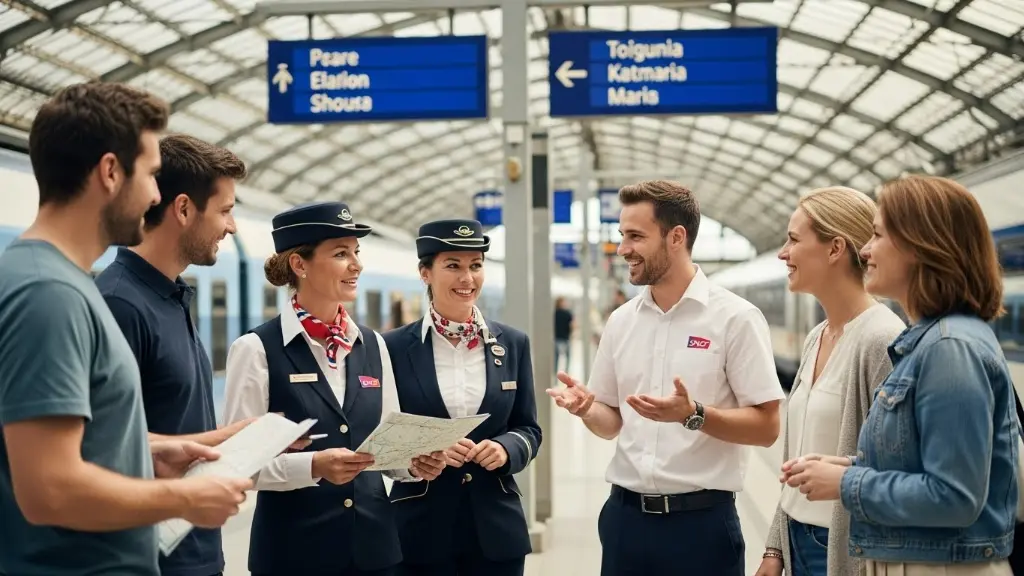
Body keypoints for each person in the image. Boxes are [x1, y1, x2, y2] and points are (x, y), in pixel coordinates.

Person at [0, 82, 252, 576]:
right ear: (111, 172)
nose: (157, 195)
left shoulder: (56, 283)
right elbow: (49, 489)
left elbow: (71, 443)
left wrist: (154, 450)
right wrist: (183, 497)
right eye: (152, 174)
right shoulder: (48, 295)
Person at [547, 179, 786, 576]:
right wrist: (588, 409)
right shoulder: (621, 322)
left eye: (636, 236)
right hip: (625, 522)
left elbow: (767, 427)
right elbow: (611, 424)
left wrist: (693, 414)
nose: (624, 249)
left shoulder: (735, 319)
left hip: (701, 527)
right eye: (623, 235)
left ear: (676, 237)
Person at [782, 174, 1018, 576]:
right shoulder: (927, 343)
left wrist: (845, 484)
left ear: (919, 246)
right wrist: (849, 467)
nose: (867, 250)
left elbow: (955, 495)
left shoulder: (949, 349)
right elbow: (917, 461)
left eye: (877, 235)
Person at [223, 201, 448, 576]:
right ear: (300, 265)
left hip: (375, 553)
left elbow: (388, 445)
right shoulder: (256, 350)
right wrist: (312, 466)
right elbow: (239, 465)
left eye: (356, 252)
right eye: (341, 253)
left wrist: (414, 464)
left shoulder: (373, 345)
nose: (356, 264)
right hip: (293, 555)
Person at [95, 133, 255, 576]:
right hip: (150, 557)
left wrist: (237, 437)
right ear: (183, 209)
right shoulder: (120, 305)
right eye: (225, 211)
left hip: (195, 549)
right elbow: (99, 447)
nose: (232, 226)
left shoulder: (170, 297)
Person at [755, 187, 905, 576]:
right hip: (796, 542)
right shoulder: (816, 336)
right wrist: (775, 547)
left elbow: (899, 467)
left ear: (835, 248)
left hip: (842, 550)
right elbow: (797, 464)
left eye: (792, 239)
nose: (782, 253)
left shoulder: (881, 339)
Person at [383, 219, 542, 576]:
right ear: (425, 272)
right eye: (453, 266)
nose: (467, 278)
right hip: (419, 531)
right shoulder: (392, 348)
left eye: (475, 266)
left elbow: (529, 429)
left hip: (497, 531)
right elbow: (380, 436)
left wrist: (505, 449)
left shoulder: (512, 344)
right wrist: (415, 457)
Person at [554, 296, 574, 373]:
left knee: (556, 358)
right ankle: (566, 372)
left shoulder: (554, 313)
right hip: (565, 338)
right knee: (568, 357)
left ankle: (556, 374)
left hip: (557, 338)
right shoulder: (568, 313)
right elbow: (573, 325)